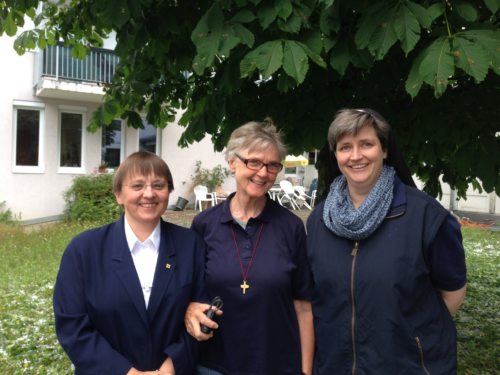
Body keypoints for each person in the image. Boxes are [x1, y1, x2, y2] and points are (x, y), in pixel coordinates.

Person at [307, 108, 467, 374]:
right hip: (334, 365)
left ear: (384, 150)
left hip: (407, 366)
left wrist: (410, 336)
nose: (356, 156)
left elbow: (453, 292)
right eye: (345, 147)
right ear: (336, 155)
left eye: (366, 144)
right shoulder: (319, 221)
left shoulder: (426, 217)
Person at [53, 151, 207, 375]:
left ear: (169, 192)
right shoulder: (83, 250)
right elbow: (72, 326)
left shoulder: (191, 245)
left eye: (158, 185)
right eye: (137, 186)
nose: (149, 194)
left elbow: (204, 313)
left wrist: (170, 367)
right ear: (118, 194)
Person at [185, 119, 315, 375]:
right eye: (253, 162)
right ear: (232, 162)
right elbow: (189, 291)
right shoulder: (204, 224)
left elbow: (303, 307)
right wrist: (190, 308)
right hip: (215, 366)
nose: (263, 172)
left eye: (272, 165)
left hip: (277, 365)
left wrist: (306, 371)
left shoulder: (291, 227)